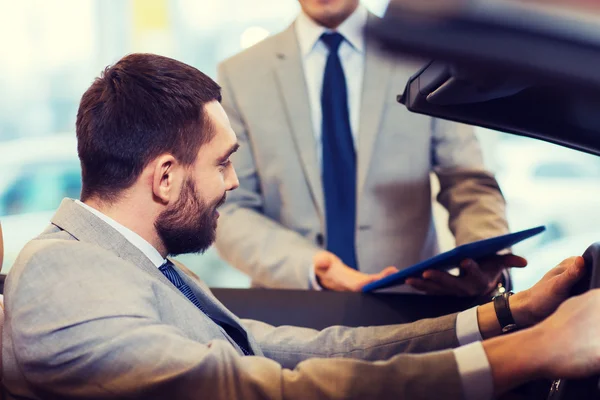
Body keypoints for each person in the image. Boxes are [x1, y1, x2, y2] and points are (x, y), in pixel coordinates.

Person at [4, 53, 600, 400]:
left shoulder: (136, 262)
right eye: (223, 161)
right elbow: (260, 391)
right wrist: (534, 353)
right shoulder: (63, 274)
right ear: (164, 177)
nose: (234, 183)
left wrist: (508, 317)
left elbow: (300, 349)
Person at [214, 0, 516, 295]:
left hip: (409, 307)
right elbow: (231, 208)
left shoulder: (425, 57)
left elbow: (467, 181)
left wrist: (485, 258)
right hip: (292, 305)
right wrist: (310, 266)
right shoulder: (241, 74)